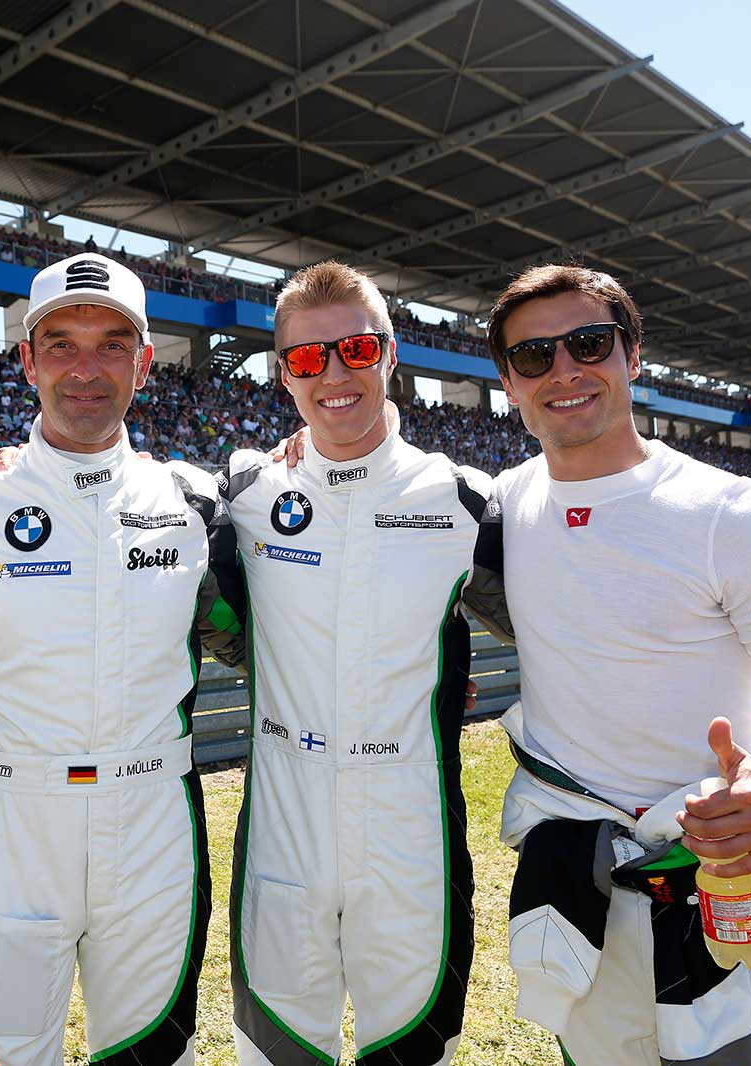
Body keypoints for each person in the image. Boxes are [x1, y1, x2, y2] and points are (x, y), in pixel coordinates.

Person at [484, 264, 751, 1066]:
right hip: (576, 894)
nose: (564, 370)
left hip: (719, 885)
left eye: (589, 344)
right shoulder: (496, 509)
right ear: (508, 382)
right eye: (534, 356)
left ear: (633, 356)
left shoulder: (725, 511)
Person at [0, 253, 246, 1066]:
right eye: (61, 345)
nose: (86, 369)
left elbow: (255, 637)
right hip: (13, 822)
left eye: (112, 345)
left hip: (155, 820)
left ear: (144, 364)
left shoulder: (196, 505)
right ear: (27, 360)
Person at [223, 261, 511, 1066]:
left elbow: (555, 635)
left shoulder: (466, 500)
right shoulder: (244, 491)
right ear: (284, 374)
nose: (334, 375)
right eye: (307, 358)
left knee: (413, 1051)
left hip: (410, 828)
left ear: (389, 353)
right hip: (283, 822)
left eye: (355, 349)